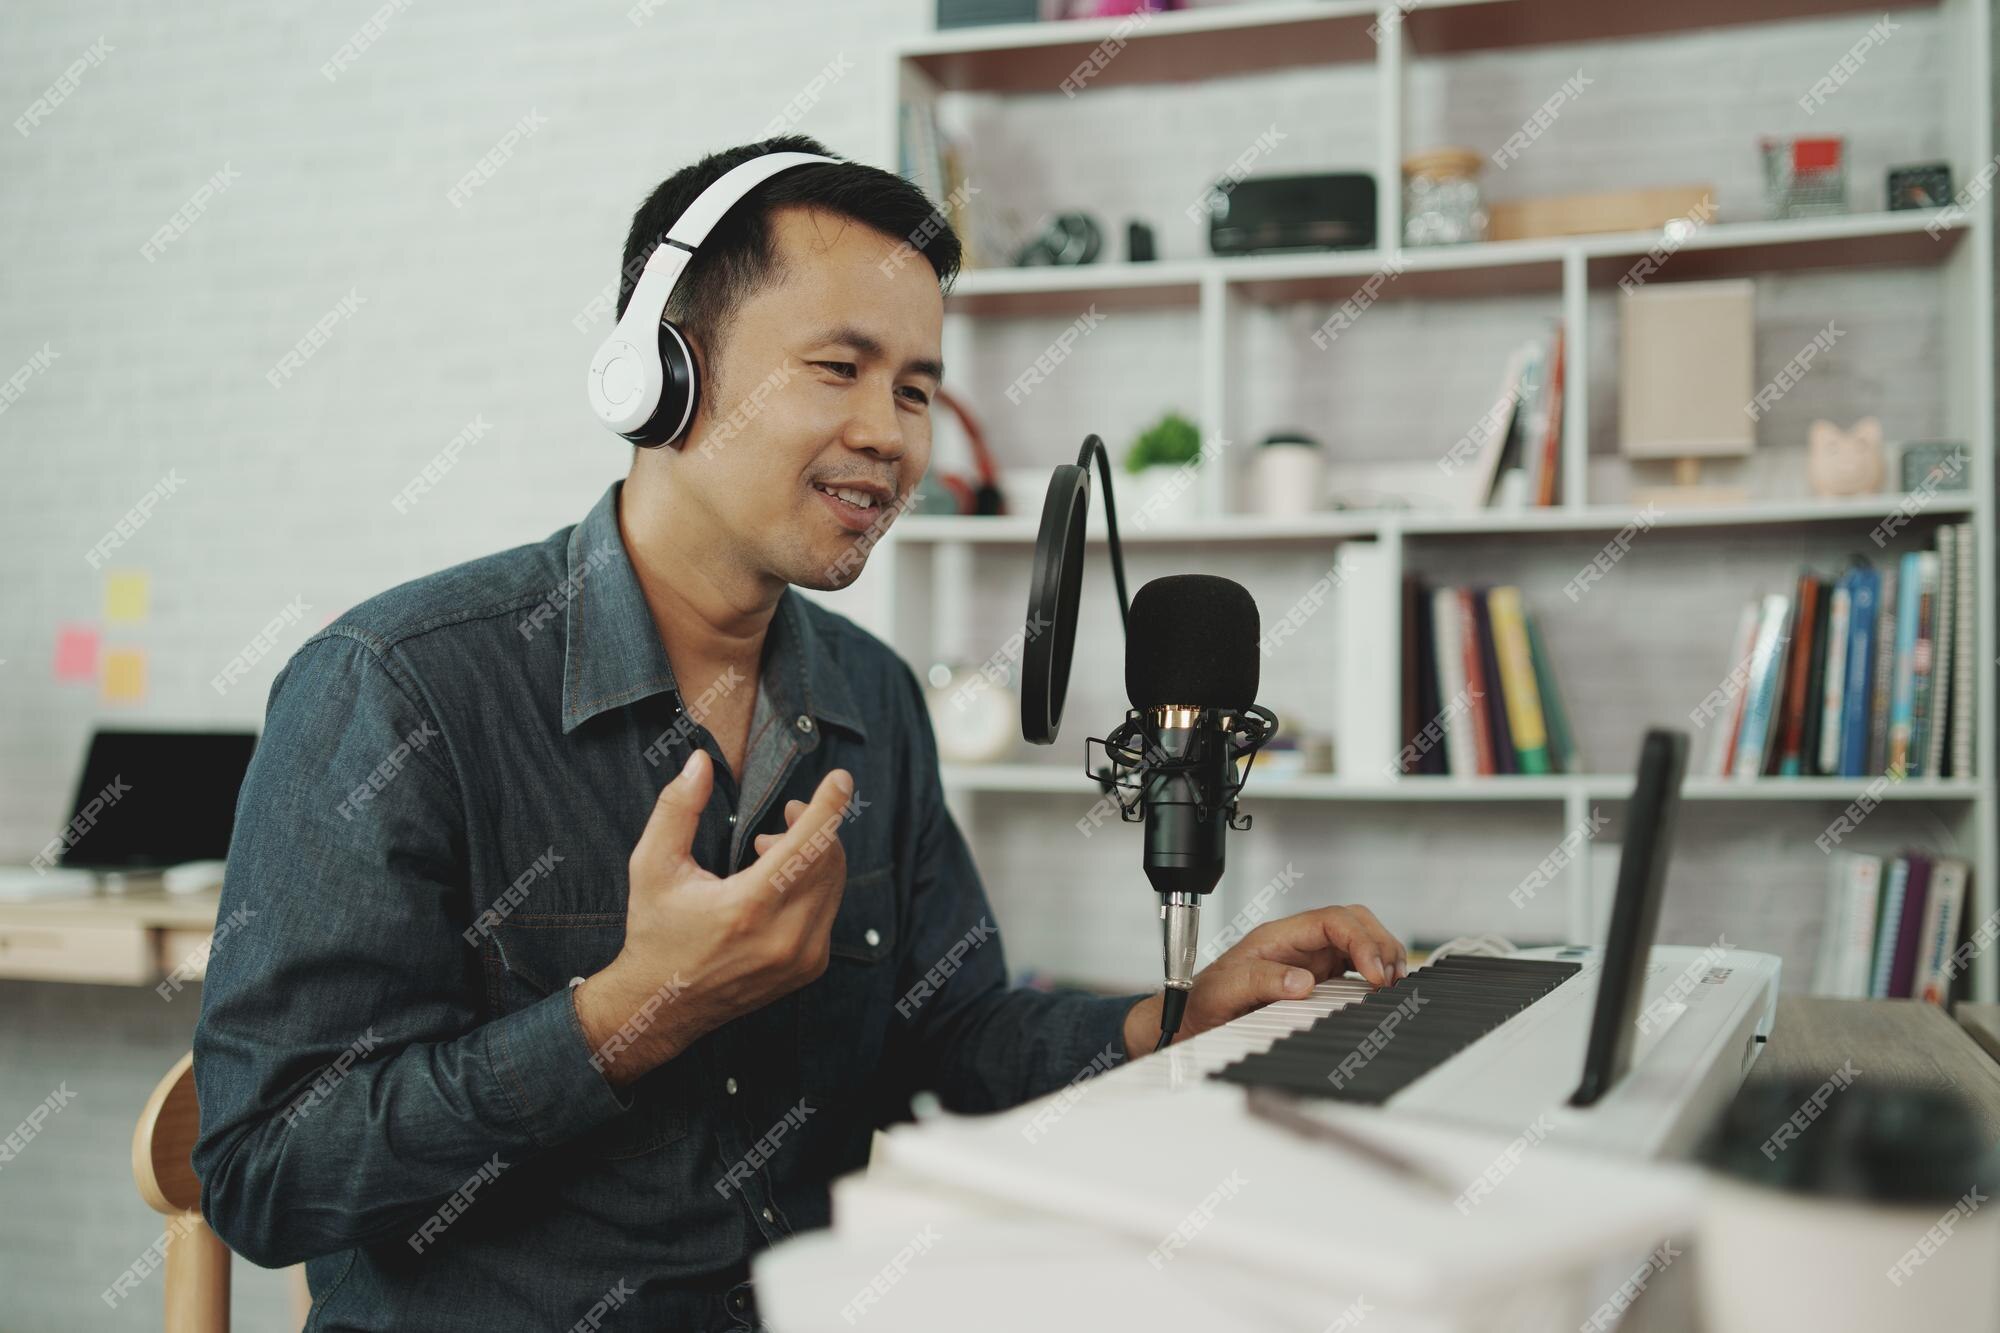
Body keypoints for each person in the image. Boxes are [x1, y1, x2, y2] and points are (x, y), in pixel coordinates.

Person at [192, 134, 1407, 1332]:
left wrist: (1169, 1023)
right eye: (838, 366)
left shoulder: (869, 699)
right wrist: (631, 1011)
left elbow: (950, 1028)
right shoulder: (396, 688)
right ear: (662, 375)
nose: (892, 434)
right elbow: (265, 1172)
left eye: (917, 388)